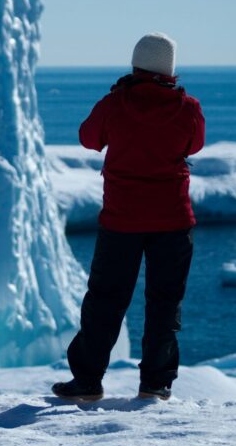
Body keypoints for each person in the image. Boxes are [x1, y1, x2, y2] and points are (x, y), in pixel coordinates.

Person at [53, 32, 205, 402]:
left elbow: (88, 137)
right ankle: (156, 381)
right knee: (165, 302)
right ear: (170, 70)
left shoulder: (116, 103)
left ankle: (87, 380)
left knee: (105, 300)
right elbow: (195, 144)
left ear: (135, 65)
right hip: (172, 220)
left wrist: (120, 100)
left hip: (122, 220)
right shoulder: (187, 108)